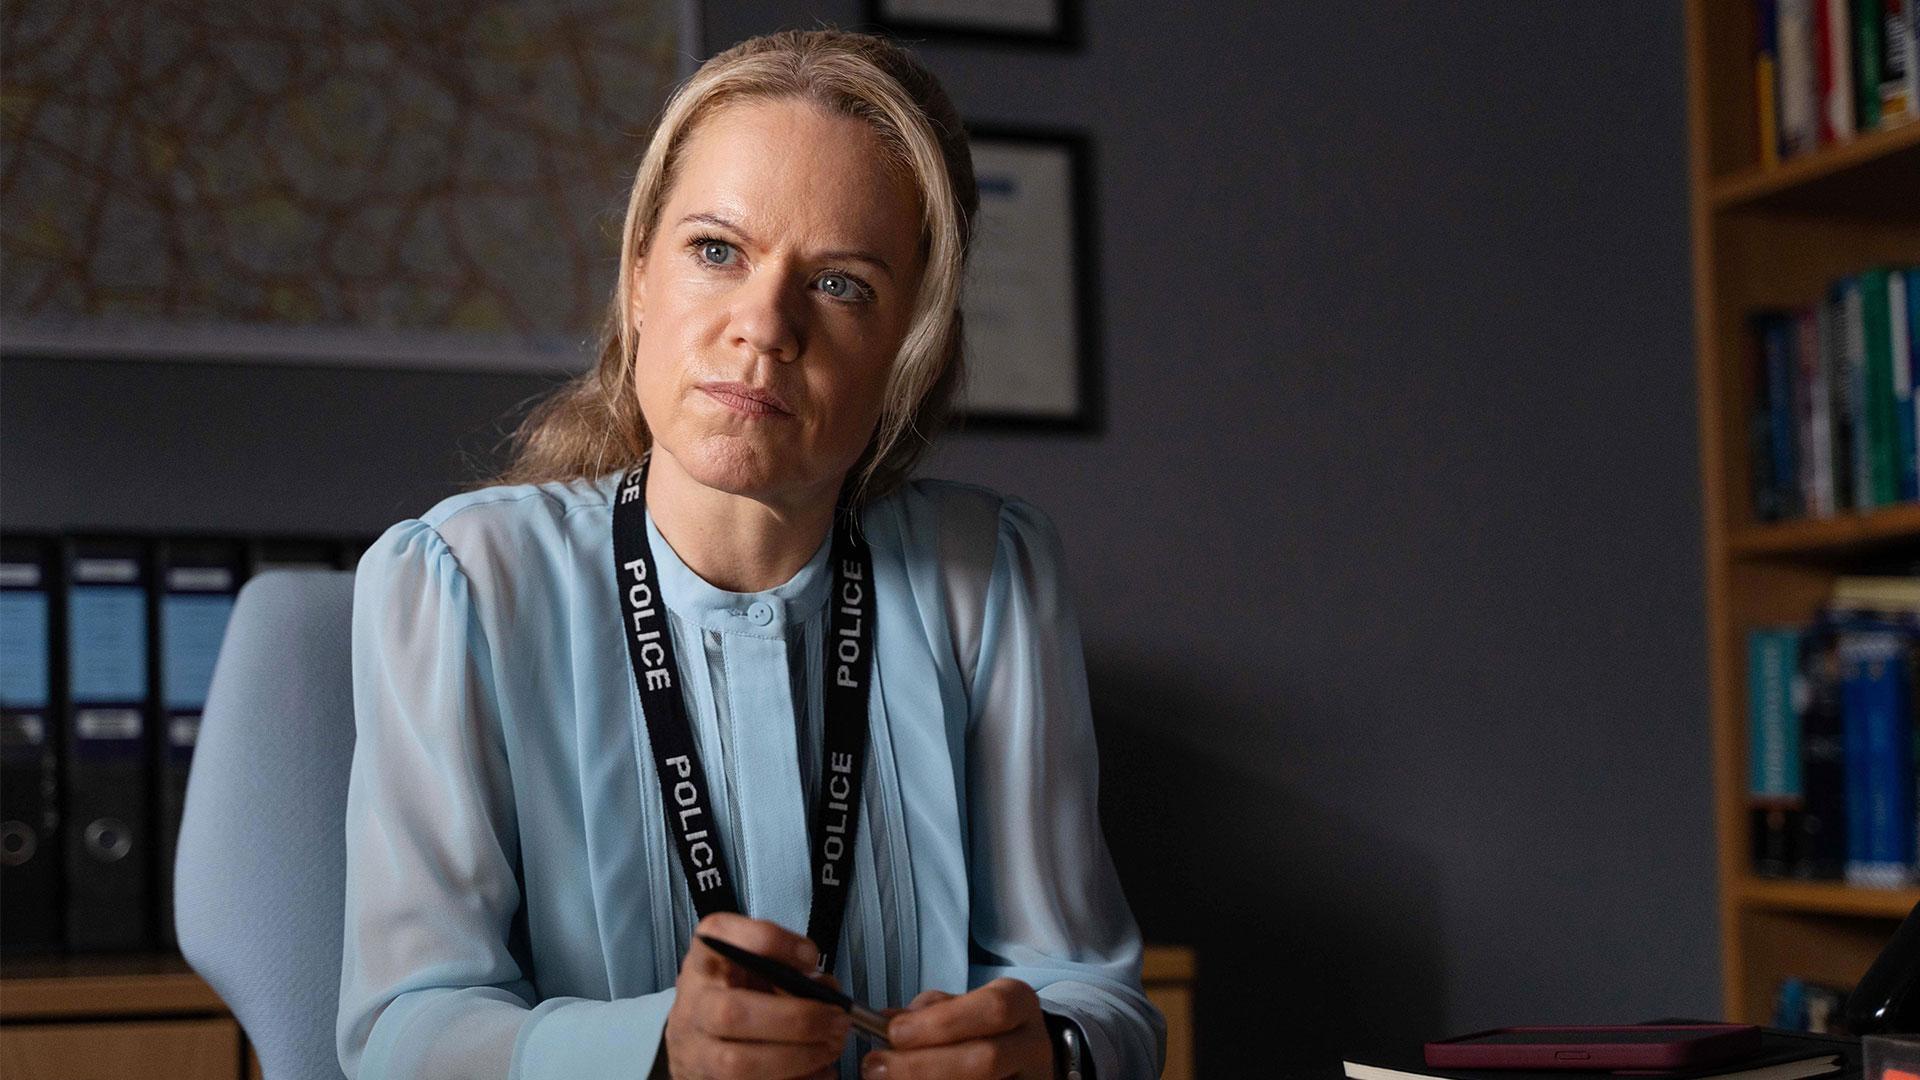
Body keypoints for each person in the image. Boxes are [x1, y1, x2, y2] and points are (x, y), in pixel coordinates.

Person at [336, 27, 1163, 1080]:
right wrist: (652, 1053)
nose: (765, 326)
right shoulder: (458, 582)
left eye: (842, 285)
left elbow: (1095, 990)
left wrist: (1051, 1049)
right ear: (639, 276)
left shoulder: (992, 574)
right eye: (717, 251)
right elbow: (401, 1032)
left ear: (912, 347)